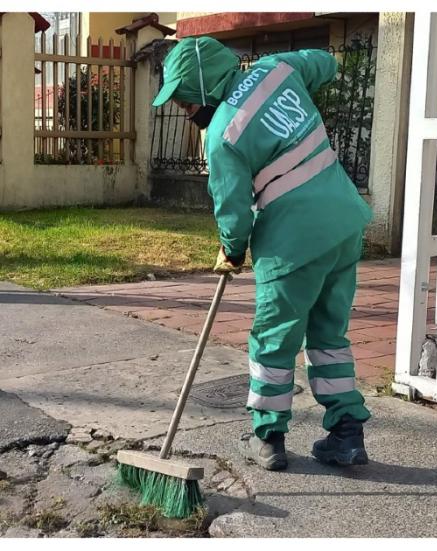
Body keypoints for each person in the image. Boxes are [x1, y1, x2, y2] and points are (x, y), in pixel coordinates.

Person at [152, 36, 373, 471]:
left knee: (274, 339)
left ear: (203, 87)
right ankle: (347, 435)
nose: (184, 109)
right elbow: (324, 62)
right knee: (329, 335)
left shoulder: (222, 134)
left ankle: (268, 437)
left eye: (184, 99)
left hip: (292, 243)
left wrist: (232, 252)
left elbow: (232, 208)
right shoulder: (276, 69)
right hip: (345, 223)